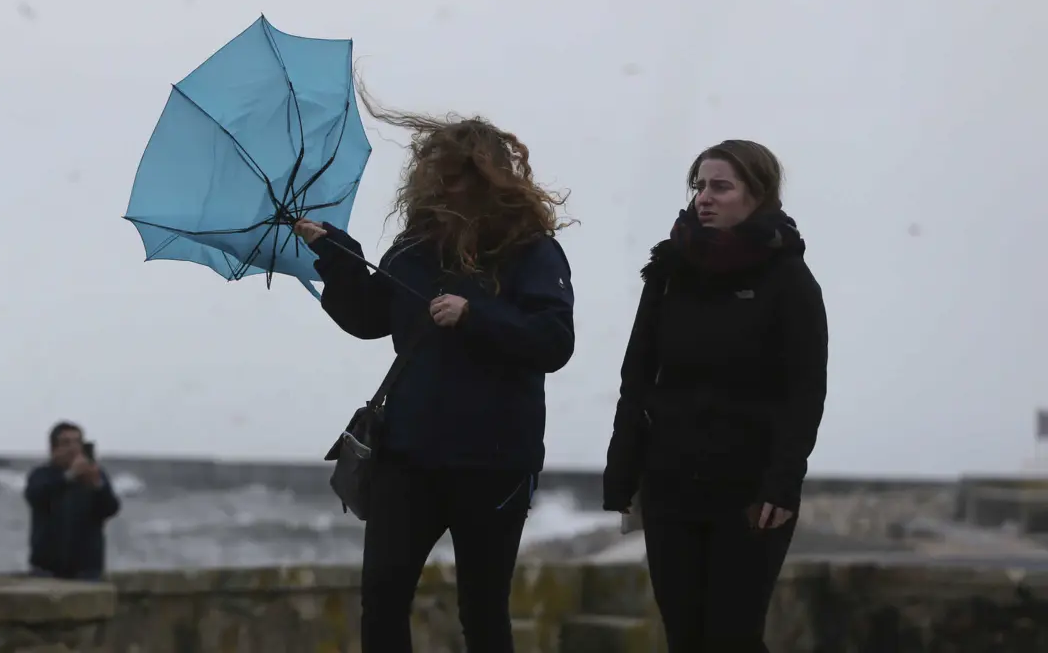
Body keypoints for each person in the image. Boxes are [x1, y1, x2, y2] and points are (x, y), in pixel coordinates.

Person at [293, 97, 575, 653]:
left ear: (488, 177)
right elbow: (371, 318)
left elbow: (554, 342)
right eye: (434, 174)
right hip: (407, 457)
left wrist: (475, 315)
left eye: (456, 175)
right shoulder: (414, 247)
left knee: (484, 611)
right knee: (383, 597)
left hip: (493, 465)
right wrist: (336, 255)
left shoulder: (531, 251)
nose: (442, 186)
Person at [602, 140, 828, 652]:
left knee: (732, 637)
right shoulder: (667, 271)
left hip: (749, 492)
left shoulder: (788, 278)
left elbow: (806, 390)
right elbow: (635, 378)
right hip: (669, 483)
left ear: (757, 195)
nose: (704, 197)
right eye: (699, 186)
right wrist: (623, 473)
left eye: (720, 186)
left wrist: (782, 483)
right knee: (685, 637)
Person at [24, 421, 121, 581]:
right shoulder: (41, 475)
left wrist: (97, 486)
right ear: (53, 449)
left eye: (77, 442)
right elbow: (36, 496)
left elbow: (111, 509)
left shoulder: (95, 475)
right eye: (66, 443)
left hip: (87, 570)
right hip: (47, 570)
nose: (73, 448)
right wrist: (69, 476)